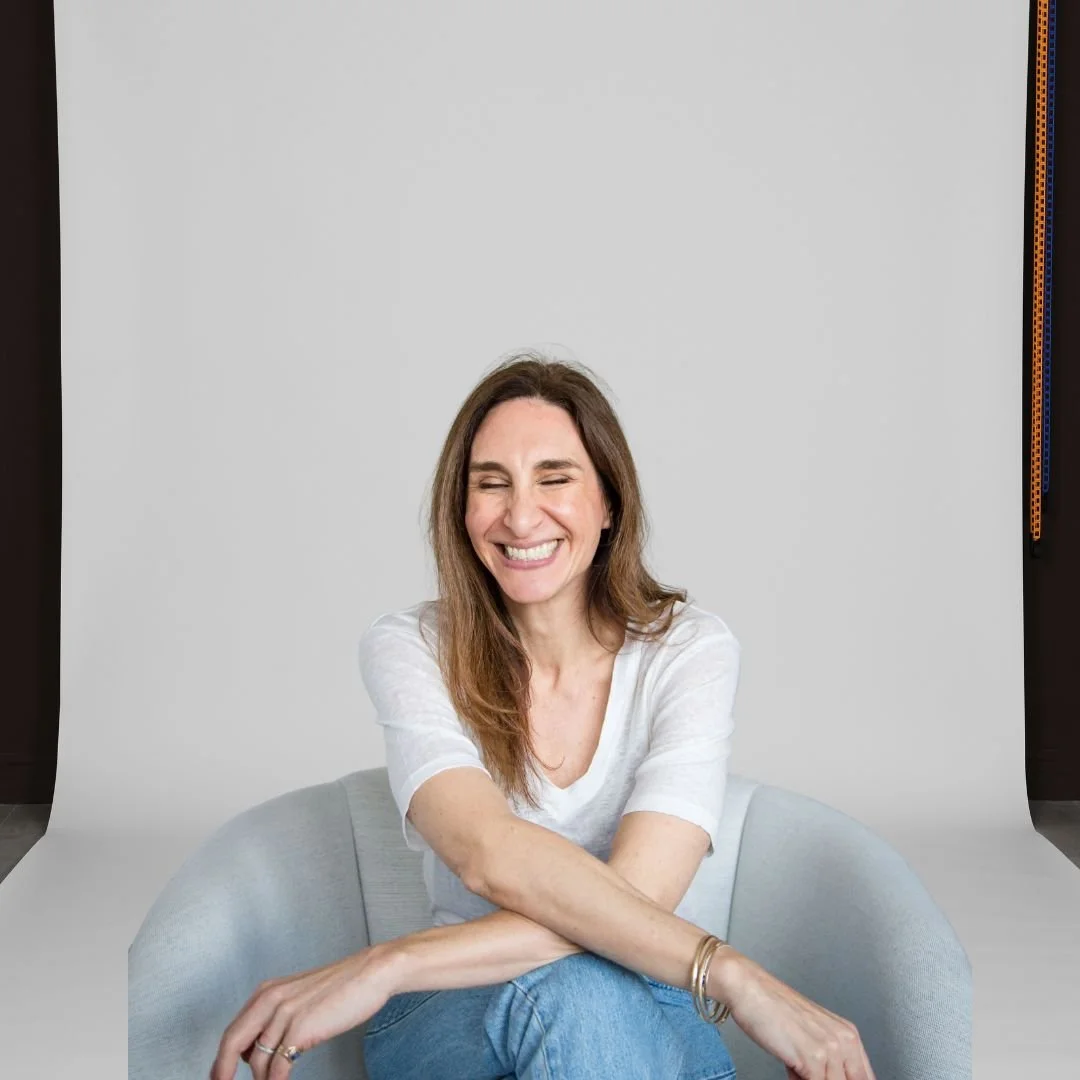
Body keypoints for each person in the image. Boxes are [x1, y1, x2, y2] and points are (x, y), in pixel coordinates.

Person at [209, 352, 876, 1080]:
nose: (520, 515)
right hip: (452, 1015)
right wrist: (735, 975)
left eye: (555, 479)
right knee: (579, 993)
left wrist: (386, 963)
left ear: (609, 503)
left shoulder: (689, 650)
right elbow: (486, 854)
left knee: (589, 993)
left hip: (646, 1005)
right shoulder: (412, 649)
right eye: (491, 484)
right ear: (460, 511)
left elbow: (642, 898)